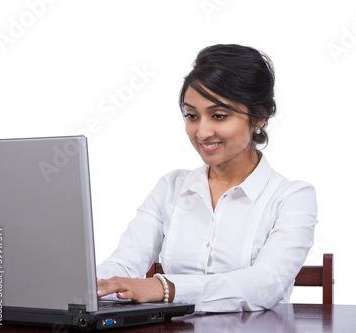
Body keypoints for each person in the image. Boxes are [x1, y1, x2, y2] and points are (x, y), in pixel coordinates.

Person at [96, 44, 318, 312]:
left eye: (219, 116)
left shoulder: (292, 198)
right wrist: (93, 285)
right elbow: (123, 263)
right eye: (192, 116)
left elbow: (267, 283)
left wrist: (164, 288)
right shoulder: (172, 187)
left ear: (258, 118)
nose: (201, 132)